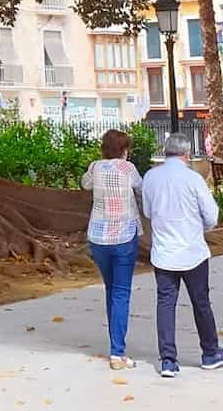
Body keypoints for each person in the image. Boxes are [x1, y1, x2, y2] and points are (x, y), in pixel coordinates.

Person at [142, 132, 223, 378]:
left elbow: (148, 212)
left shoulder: (151, 177)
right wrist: (200, 227)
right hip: (193, 252)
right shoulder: (193, 179)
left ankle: (168, 360)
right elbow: (211, 215)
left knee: (165, 304)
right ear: (186, 154)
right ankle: (210, 352)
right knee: (201, 302)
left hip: (164, 253)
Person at [81, 128, 143, 371]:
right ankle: (118, 352)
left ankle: (115, 344)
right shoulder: (129, 169)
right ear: (124, 150)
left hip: (98, 238)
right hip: (124, 237)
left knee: (111, 290)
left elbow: (84, 184)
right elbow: (140, 188)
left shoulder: (95, 167)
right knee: (121, 293)